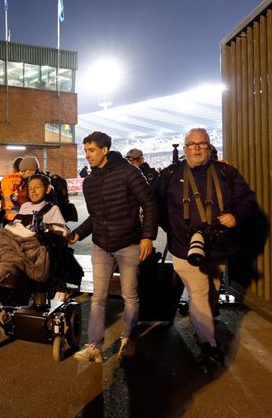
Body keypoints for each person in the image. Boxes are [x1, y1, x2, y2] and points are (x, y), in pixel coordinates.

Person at [155, 128, 257, 367]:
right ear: (185, 147)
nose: (197, 148)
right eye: (192, 144)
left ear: (210, 147)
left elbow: (247, 199)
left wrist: (236, 217)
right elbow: (157, 207)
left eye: (202, 144)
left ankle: (204, 327)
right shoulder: (170, 175)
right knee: (199, 292)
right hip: (185, 248)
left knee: (212, 290)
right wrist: (177, 231)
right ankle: (209, 344)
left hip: (220, 246)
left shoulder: (226, 172)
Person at [69, 131, 158, 363]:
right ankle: (94, 347)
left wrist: (148, 236)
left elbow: (150, 203)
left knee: (130, 296)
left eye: (91, 150)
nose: (87, 155)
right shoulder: (89, 182)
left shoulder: (129, 172)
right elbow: (95, 217)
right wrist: (78, 233)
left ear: (105, 150)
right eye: (85, 151)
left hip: (129, 243)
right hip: (101, 245)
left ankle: (128, 340)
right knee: (98, 298)